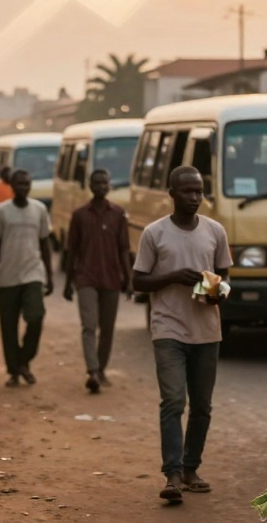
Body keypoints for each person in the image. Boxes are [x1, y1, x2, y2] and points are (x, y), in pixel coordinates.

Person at [132, 166, 231, 504]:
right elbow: (138, 281)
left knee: (202, 406)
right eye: (186, 191)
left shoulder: (215, 231)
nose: (193, 198)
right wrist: (173, 276)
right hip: (168, 328)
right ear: (171, 194)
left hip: (207, 330)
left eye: (198, 191)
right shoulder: (154, 233)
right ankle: (172, 473)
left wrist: (215, 290)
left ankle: (191, 468)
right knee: (174, 401)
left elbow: (223, 277)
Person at [62, 168, 132, 394]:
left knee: (108, 329)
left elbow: (124, 250)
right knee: (89, 326)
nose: (101, 186)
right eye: (97, 182)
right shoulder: (80, 215)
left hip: (111, 279)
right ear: (90, 186)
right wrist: (68, 282)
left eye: (105, 182)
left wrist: (129, 279)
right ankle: (92, 370)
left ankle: (101, 369)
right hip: (86, 278)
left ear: (109, 185)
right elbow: (72, 251)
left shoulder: (118, 214)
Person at [0, 169, 53, 387]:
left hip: (33, 273)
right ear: (12, 186)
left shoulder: (40, 209)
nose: (23, 188)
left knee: (35, 317)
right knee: (8, 326)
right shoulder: (1, 211)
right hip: (8, 276)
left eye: (27, 184)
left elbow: (45, 244)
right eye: (19, 184)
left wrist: (50, 276)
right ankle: (14, 370)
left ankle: (24, 360)